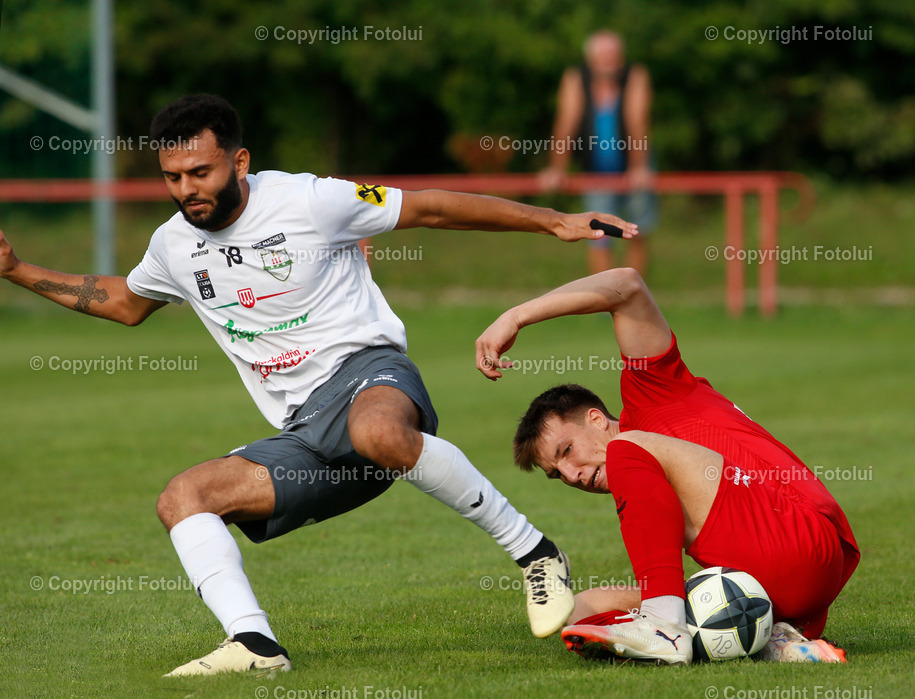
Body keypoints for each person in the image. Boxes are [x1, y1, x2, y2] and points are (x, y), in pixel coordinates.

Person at [0, 94, 639, 677]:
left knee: (375, 430)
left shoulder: (310, 200)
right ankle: (254, 644)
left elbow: (431, 208)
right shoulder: (173, 245)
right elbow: (125, 302)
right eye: (173, 177)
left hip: (370, 375)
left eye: (201, 172)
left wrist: (553, 221)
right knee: (183, 498)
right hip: (306, 435)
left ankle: (535, 553)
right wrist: (16, 269)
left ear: (240, 161)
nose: (187, 189)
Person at [474, 268, 860, 665]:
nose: (572, 474)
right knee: (582, 609)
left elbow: (626, 285)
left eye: (567, 450)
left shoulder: (654, 390)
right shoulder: (642, 478)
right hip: (780, 593)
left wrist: (515, 317)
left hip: (802, 541)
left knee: (626, 448)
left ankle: (665, 626)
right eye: (557, 474)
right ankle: (774, 638)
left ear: (596, 418)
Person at [539, 29, 656, 276]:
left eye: (614, 55)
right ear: (590, 59)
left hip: (635, 162)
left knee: (637, 231)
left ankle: (633, 294)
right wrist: (557, 169)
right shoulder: (576, 78)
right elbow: (566, 123)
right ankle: (605, 296)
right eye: (604, 56)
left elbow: (637, 122)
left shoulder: (635, 76)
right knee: (598, 234)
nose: (609, 61)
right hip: (597, 169)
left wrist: (638, 168)